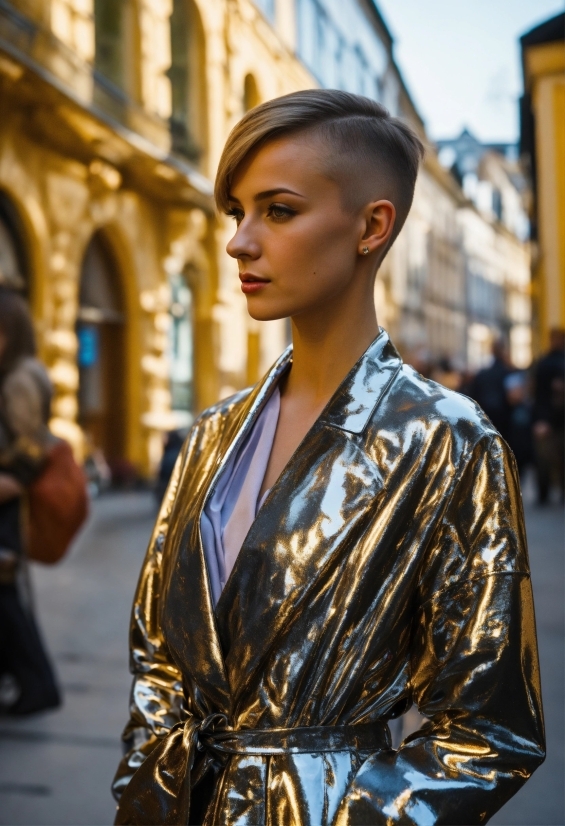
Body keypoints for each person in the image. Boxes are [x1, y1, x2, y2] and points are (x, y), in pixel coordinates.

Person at [112, 91, 544, 826]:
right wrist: (145, 784)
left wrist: (355, 815)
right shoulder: (212, 434)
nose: (239, 242)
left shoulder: (448, 441)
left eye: (277, 211)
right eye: (236, 212)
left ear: (371, 226)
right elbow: (158, 657)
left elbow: (488, 729)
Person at [0, 286, 60, 714]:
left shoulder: (20, 377)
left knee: (5, 599)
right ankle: (28, 683)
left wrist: (12, 479)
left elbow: (33, 445)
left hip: (6, 502)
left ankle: (38, 686)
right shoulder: (24, 370)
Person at [531, 328, 565, 504]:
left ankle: (544, 494)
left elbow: (536, 393)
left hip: (546, 418)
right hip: (552, 419)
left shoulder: (544, 363)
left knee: (544, 459)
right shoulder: (550, 363)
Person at [468, 338, 512, 441]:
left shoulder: (482, 375)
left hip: (486, 416)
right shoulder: (508, 373)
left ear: (491, 350)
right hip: (504, 417)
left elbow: (473, 396)